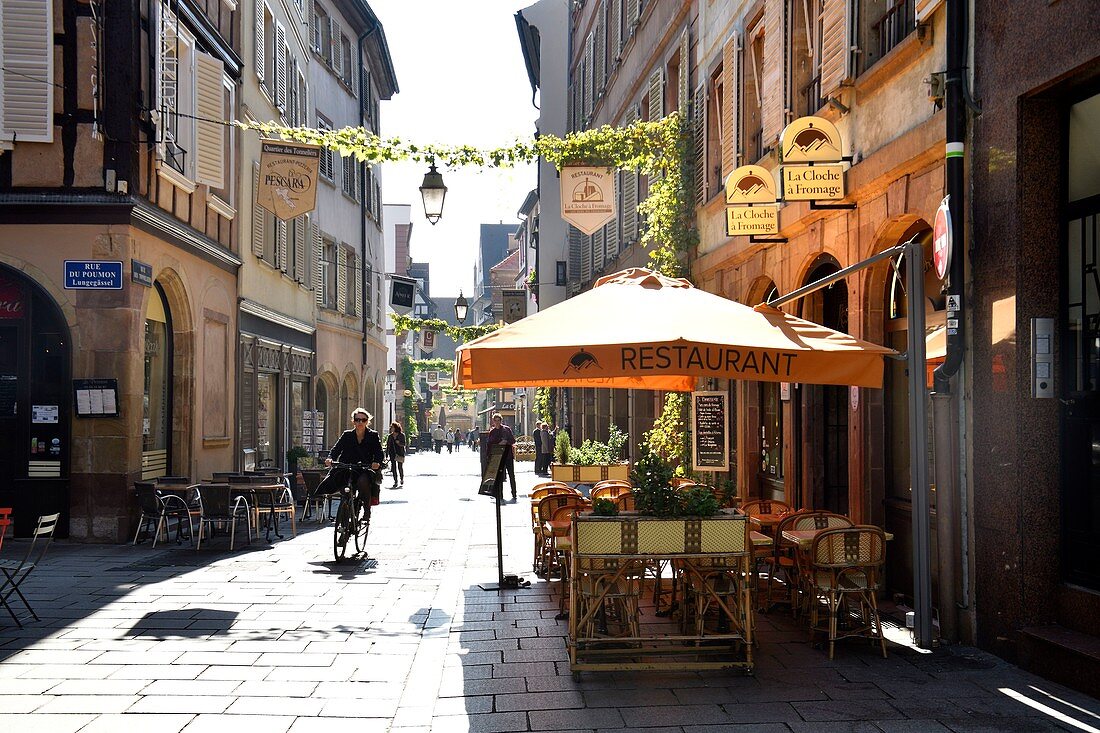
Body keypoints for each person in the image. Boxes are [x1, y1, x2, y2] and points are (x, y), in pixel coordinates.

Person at [319, 408, 384, 506]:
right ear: (353, 421)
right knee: (342, 486)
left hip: (364, 468)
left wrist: (376, 462)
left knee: (363, 482)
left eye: (363, 420)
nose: (360, 422)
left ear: (367, 422)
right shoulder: (347, 435)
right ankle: (345, 507)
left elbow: (379, 453)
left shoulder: (373, 435)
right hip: (347, 467)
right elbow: (336, 449)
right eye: (357, 419)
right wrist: (330, 458)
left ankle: (367, 511)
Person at [485, 412, 517, 500]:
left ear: (501, 420)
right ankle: (500, 494)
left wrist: (506, 441)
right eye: (495, 421)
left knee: (511, 475)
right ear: (493, 421)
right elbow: (489, 444)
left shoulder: (506, 429)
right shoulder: (492, 432)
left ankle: (514, 493)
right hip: (498, 455)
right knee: (499, 476)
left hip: (508, 455)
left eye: (498, 420)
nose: (497, 422)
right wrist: (489, 456)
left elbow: (513, 440)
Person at [385, 421, 406, 488]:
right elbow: (388, 445)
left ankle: (401, 479)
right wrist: (387, 453)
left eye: (392, 427)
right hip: (392, 453)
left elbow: (404, 444)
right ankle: (395, 481)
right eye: (391, 427)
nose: (391, 428)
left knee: (400, 467)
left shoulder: (401, 435)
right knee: (393, 467)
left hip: (400, 452)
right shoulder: (390, 436)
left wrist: (399, 443)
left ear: (396, 428)